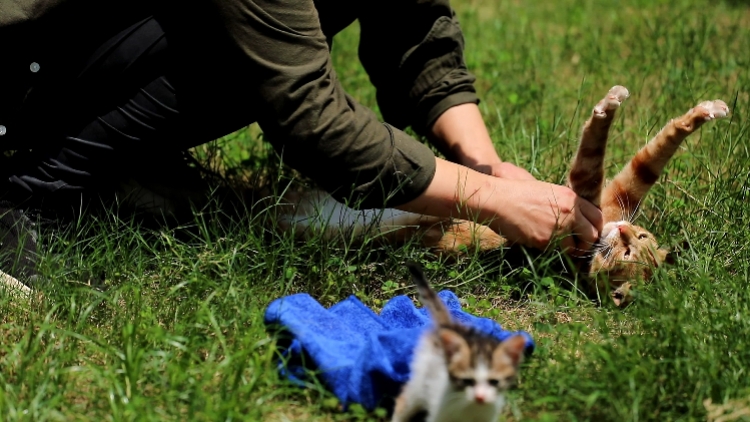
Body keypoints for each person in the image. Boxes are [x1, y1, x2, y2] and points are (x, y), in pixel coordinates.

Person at [0, 0, 602, 286]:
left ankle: (112, 162)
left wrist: (487, 166)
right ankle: (28, 183)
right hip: (17, 70)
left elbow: (416, 31)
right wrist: (489, 201)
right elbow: (308, 115)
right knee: (233, 50)